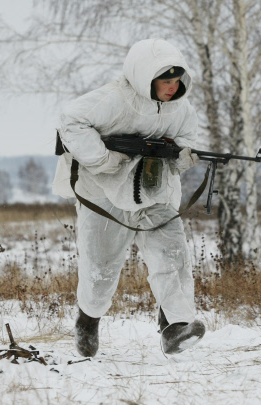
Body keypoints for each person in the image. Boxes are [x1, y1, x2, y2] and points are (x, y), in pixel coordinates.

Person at [52, 38, 205, 356]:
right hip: (104, 193)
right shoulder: (113, 99)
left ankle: (175, 327)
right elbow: (70, 121)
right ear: (144, 76)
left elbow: (187, 139)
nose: (172, 87)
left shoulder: (181, 108)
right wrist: (104, 159)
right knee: (101, 266)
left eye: (177, 80)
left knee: (172, 257)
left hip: (154, 191)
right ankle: (88, 321)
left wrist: (182, 158)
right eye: (165, 80)